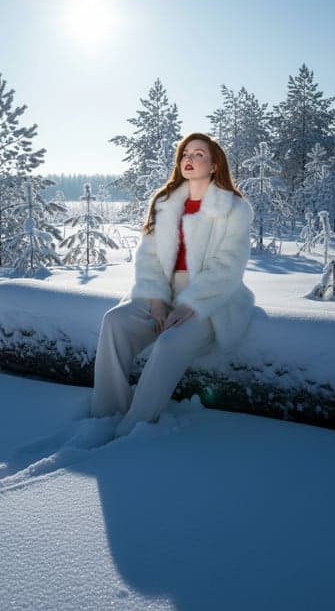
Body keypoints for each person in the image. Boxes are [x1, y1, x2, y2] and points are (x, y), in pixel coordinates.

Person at [90, 132, 254, 436]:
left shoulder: (235, 209)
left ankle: (134, 426)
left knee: (168, 343)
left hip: (212, 300)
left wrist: (189, 304)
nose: (189, 160)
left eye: (198, 154)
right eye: (185, 154)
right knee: (114, 321)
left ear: (215, 164)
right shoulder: (165, 202)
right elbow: (149, 255)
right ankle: (106, 412)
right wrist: (155, 298)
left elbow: (228, 267)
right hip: (163, 294)